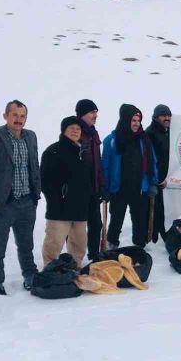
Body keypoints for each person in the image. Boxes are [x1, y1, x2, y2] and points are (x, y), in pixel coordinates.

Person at [0, 100, 41, 295]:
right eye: (15, 115)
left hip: (27, 200)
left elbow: (34, 165)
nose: (18, 120)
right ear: (5, 116)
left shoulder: (30, 136)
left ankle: (29, 275)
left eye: (22, 116)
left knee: (26, 243)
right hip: (3, 202)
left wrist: (36, 194)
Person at [101, 104, 157, 249]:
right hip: (118, 189)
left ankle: (139, 247)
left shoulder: (143, 140)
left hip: (139, 188)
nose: (136, 124)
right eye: (133, 120)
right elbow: (105, 166)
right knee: (116, 220)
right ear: (125, 120)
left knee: (139, 220)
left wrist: (152, 183)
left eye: (138, 121)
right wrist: (105, 188)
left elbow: (153, 161)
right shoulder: (112, 140)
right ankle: (112, 244)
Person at [40, 117, 93, 268]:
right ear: (64, 130)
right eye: (72, 128)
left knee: (79, 244)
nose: (76, 131)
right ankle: (49, 269)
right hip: (60, 208)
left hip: (80, 208)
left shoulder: (83, 151)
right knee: (54, 242)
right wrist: (55, 200)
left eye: (78, 129)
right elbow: (45, 180)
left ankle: (75, 268)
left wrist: (89, 197)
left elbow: (88, 178)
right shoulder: (53, 151)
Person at [75, 99, 104, 261]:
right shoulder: (75, 131)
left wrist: (101, 185)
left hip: (93, 189)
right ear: (83, 114)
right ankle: (74, 257)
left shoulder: (93, 133)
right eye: (92, 112)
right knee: (76, 228)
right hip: (79, 191)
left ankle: (94, 255)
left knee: (96, 225)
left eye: (96, 112)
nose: (96, 115)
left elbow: (97, 162)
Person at [146, 104, 171, 243]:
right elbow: (149, 159)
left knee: (165, 207)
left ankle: (163, 232)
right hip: (157, 178)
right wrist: (155, 178)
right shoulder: (150, 133)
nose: (167, 118)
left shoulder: (169, 131)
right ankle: (153, 235)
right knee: (156, 207)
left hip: (169, 177)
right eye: (163, 115)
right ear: (156, 117)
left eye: (168, 115)